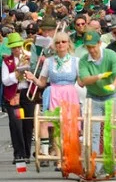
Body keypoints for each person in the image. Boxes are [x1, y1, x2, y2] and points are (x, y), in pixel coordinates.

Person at [25, 31, 79, 166]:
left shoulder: (75, 61)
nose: (60, 44)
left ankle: (66, 156)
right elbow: (42, 83)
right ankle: (51, 155)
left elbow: (81, 81)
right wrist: (33, 78)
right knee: (52, 125)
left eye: (63, 42)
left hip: (69, 94)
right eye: (57, 42)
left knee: (67, 127)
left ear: (68, 44)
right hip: (54, 93)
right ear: (54, 46)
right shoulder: (49, 62)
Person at [78, 30, 116, 159]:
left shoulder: (111, 55)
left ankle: (109, 162)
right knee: (94, 132)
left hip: (111, 96)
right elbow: (84, 80)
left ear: (99, 43)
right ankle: (94, 163)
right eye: (88, 47)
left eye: (93, 46)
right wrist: (99, 76)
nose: (91, 50)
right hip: (93, 97)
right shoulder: (83, 60)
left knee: (111, 129)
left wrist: (113, 85)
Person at [2, 32, 34, 163]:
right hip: (13, 96)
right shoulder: (6, 61)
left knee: (28, 124)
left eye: (19, 47)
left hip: (27, 94)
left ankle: (26, 153)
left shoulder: (29, 58)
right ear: (10, 48)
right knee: (16, 125)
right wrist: (16, 74)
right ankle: (18, 153)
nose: (17, 49)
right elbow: (5, 81)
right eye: (14, 48)